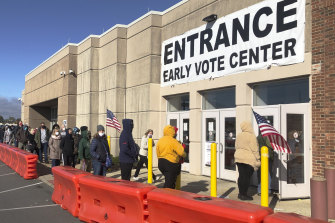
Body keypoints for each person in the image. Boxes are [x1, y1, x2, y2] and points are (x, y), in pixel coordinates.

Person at [234, 121, 260, 201]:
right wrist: (258, 159)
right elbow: (255, 149)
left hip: (238, 157)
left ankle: (240, 193)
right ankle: (244, 194)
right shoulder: (251, 136)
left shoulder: (239, 135)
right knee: (246, 177)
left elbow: (236, 146)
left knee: (241, 176)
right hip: (248, 159)